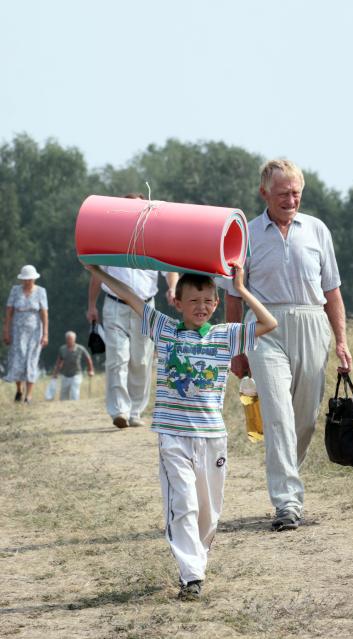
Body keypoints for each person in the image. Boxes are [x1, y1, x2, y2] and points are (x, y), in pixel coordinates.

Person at [84, 262, 277, 600]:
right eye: (193, 301)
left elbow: (269, 323)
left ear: (216, 304)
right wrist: (98, 271)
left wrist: (242, 289)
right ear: (177, 302)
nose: (200, 307)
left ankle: (197, 561)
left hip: (212, 437)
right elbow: (132, 298)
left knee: (209, 511)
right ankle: (191, 577)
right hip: (172, 436)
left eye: (207, 301)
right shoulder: (165, 329)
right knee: (183, 504)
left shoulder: (224, 334)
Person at [221, 159, 352, 532]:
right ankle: (287, 502)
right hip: (263, 329)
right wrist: (236, 347)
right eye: (282, 193)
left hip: (312, 322)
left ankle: (286, 475)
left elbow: (333, 293)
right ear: (264, 193)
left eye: (296, 192)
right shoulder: (245, 233)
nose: (290, 199)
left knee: (304, 419)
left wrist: (341, 341)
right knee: (277, 415)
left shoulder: (317, 230)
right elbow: (233, 297)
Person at [86, 193, 179, 429]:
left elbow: (169, 269)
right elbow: (97, 275)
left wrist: (172, 288)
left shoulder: (155, 238)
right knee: (117, 358)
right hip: (114, 304)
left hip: (145, 306)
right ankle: (120, 410)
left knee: (141, 360)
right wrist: (91, 305)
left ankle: (136, 410)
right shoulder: (110, 238)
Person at [2, 264, 49, 403]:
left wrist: (45, 333)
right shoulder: (15, 291)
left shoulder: (41, 291)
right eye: (25, 279)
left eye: (30, 279)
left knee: (32, 360)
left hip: (35, 331)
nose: (28, 281)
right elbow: (9, 312)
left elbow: (44, 313)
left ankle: (29, 395)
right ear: (22, 280)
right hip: (17, 331)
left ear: (34, 279)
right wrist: (6, 331)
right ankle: (19, 389)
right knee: (18, 360)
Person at [52, 331, 94, 400]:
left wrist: (91, 370)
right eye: (68, 339)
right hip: (65, 375)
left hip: (76, 374)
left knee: (75, 392)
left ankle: (75, 407)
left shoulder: (80, 348)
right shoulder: (62, 349)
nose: (69, 341)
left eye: (71, 339)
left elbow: (88, 359)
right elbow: (59, 361)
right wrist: (55, 373)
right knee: (63, 396)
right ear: (66, 339)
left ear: (74, 339)